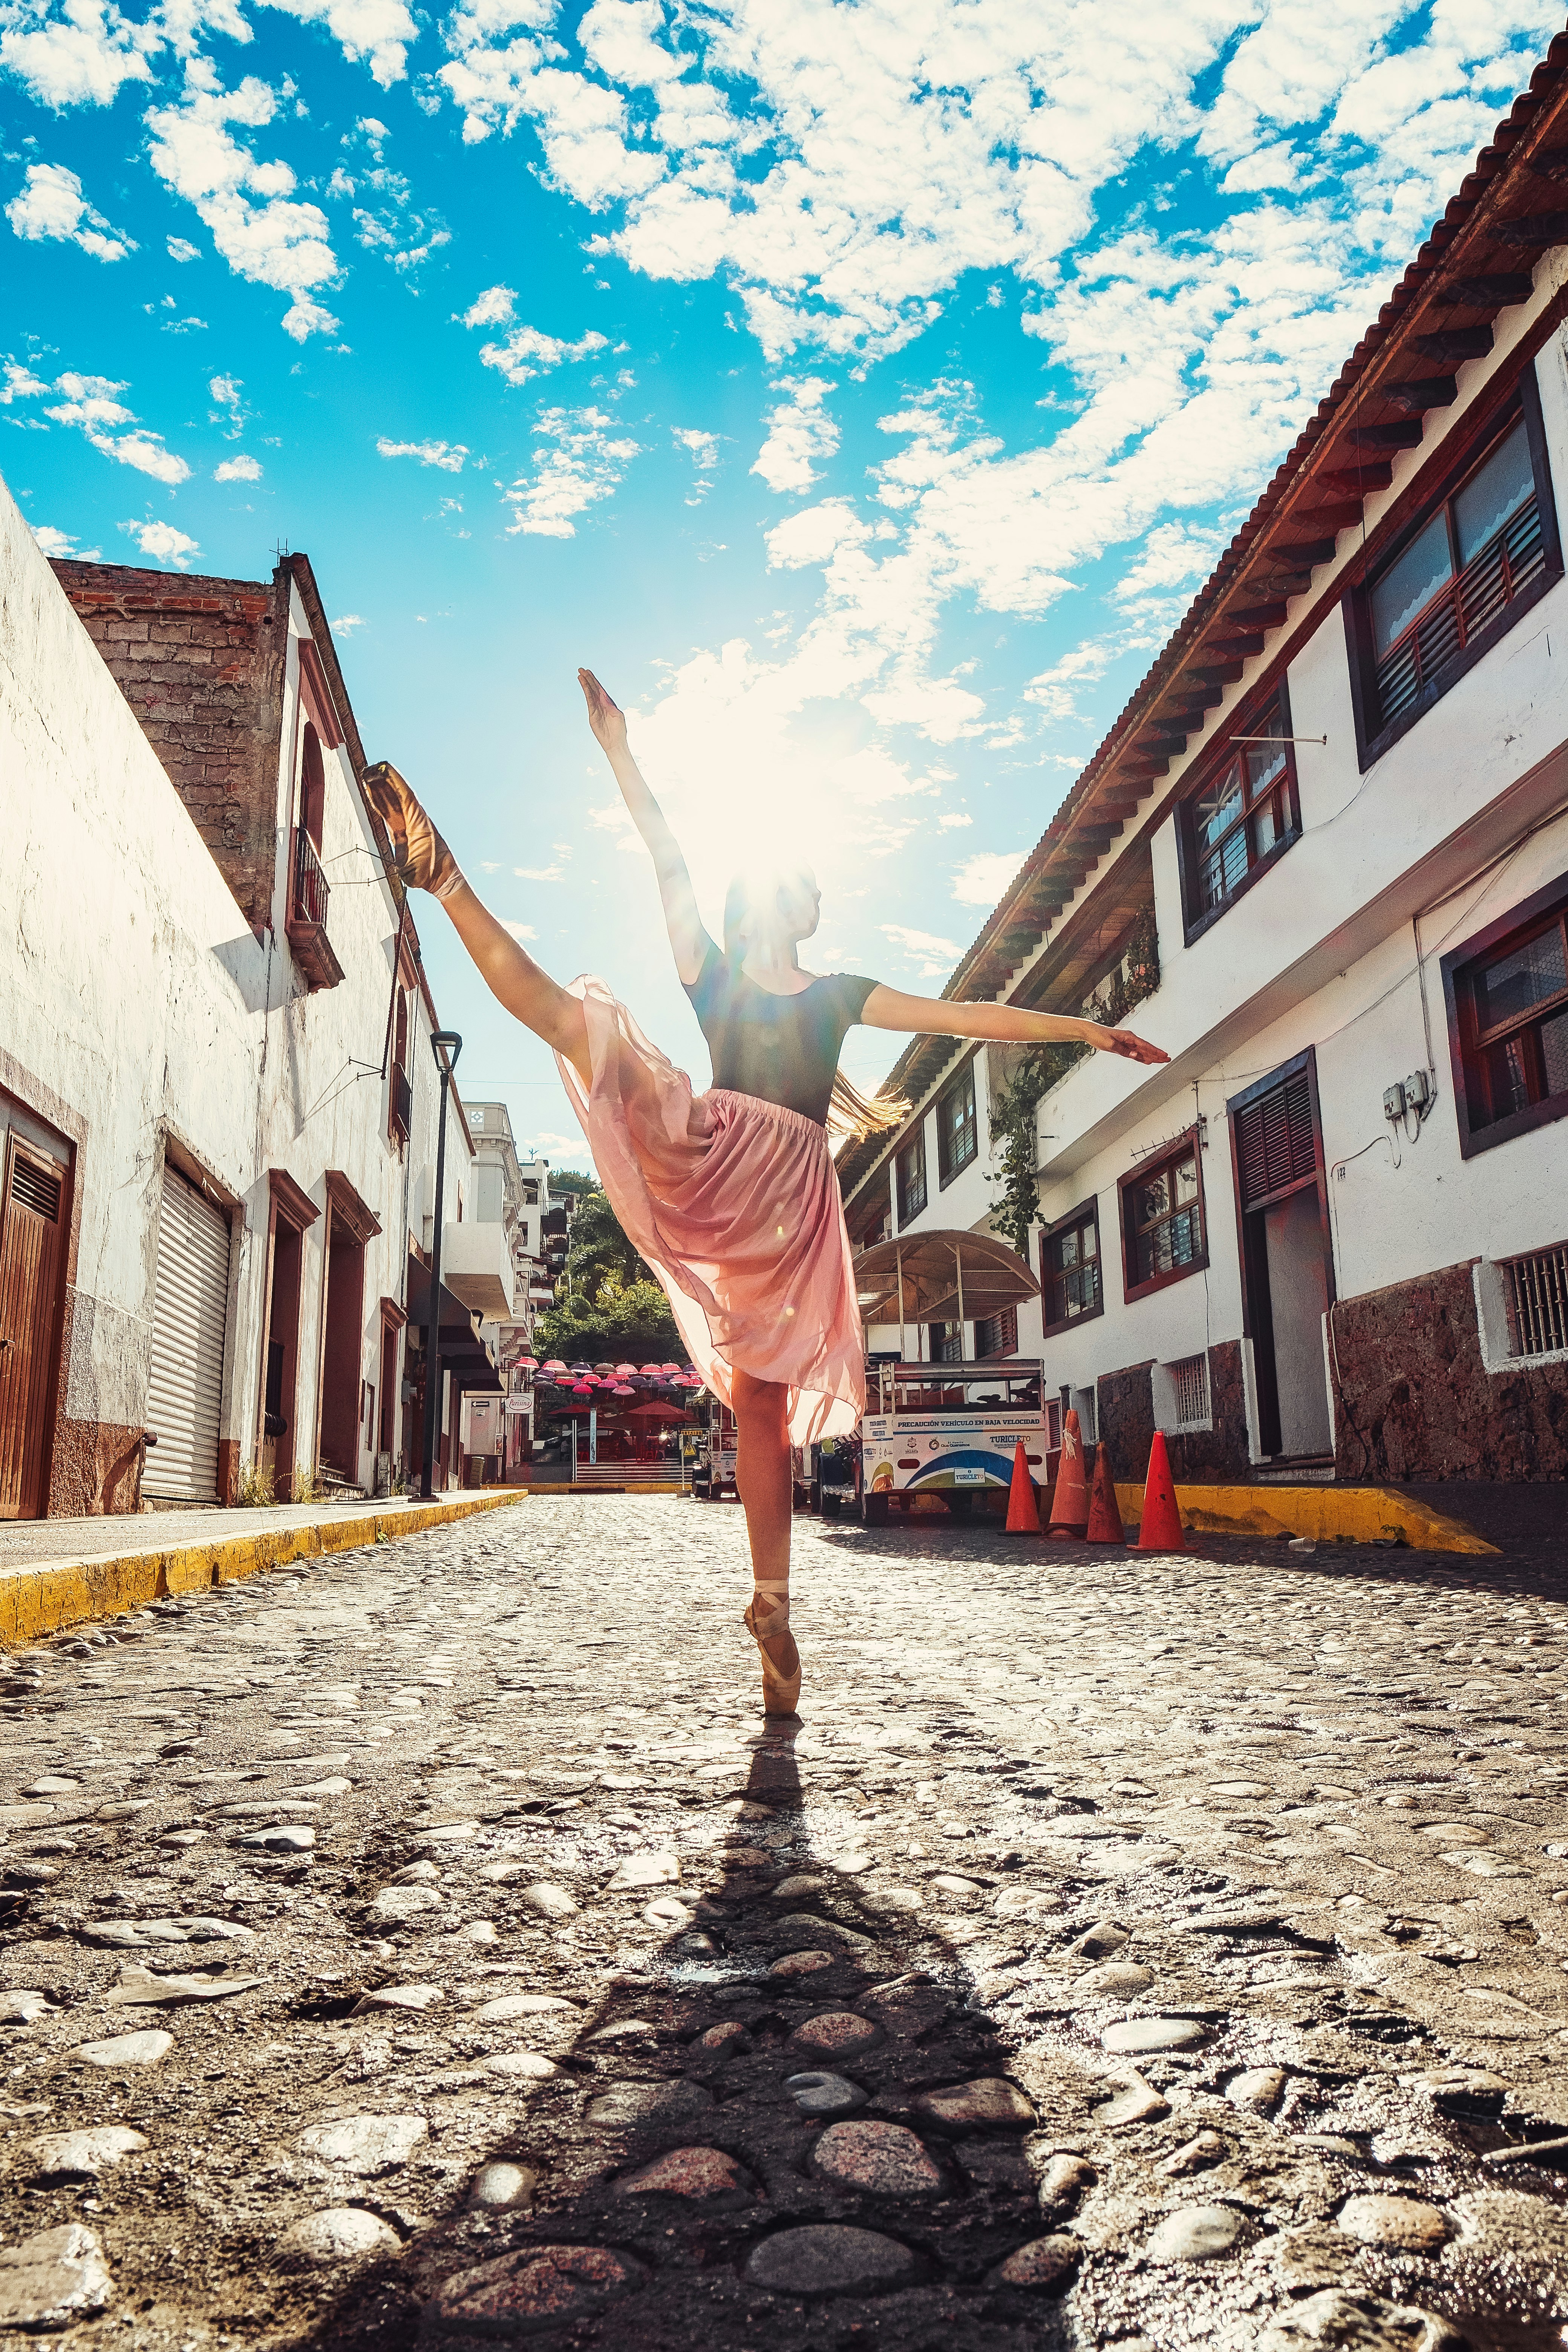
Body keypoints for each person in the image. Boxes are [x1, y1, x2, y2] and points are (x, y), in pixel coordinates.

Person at [363, 672, 1168, 1716]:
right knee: (585, 1024)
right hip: (735, 1158)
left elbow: (968, 1016)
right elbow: (667, 856)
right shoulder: (718, 974)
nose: (787, 896)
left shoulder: (834, 996)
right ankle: (446, 874)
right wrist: (619, 752)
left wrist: (1086, 1029)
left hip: (776, 1200)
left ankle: (772, 1606)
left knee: (763, 1399)